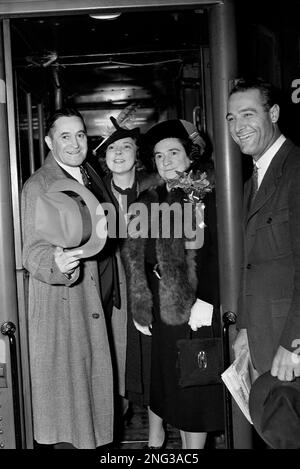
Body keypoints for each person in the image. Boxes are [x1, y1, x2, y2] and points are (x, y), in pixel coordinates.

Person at [21, 107, 126, 449]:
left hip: (99, 298)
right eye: (65, 136)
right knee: (73, 416)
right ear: (50, 141)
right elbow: (32, 252)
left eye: (80, 134)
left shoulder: (89, 173)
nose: (75, 142)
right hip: (67, 306)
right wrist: (58, 264)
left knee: (93, 407)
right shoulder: (40, 185)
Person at [120, 119, 224, 449]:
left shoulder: (203, 195)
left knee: (194, 388)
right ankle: (167, 445)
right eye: (160, 155)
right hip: (162, 305)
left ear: (189, 157)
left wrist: (206, 299)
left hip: (195, 306)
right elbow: (139, 255)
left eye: (174, 153)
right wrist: (141, 303)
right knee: (170, 387)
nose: (166, 161)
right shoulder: (152, 196)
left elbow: (218, 252)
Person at [226, 78, 300, 382]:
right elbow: (252, 262)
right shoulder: (252, 182)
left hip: (288, 345)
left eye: (248, 114)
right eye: (232, 118)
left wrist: (294, 343)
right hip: (261, 340)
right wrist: (245, 326)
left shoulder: (296, 170)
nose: (238, 126)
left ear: (273, 114)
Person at [97, 117, 163, 447]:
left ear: (137, 154)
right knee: (115, 361)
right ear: (104, 157)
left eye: (125, 147)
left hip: (149, 288)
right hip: (110, 291)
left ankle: (156, 434)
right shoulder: (93, 191)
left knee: (152, 363)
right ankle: (115, 431)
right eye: (112, 148)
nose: (119, 152)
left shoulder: (156, 188)